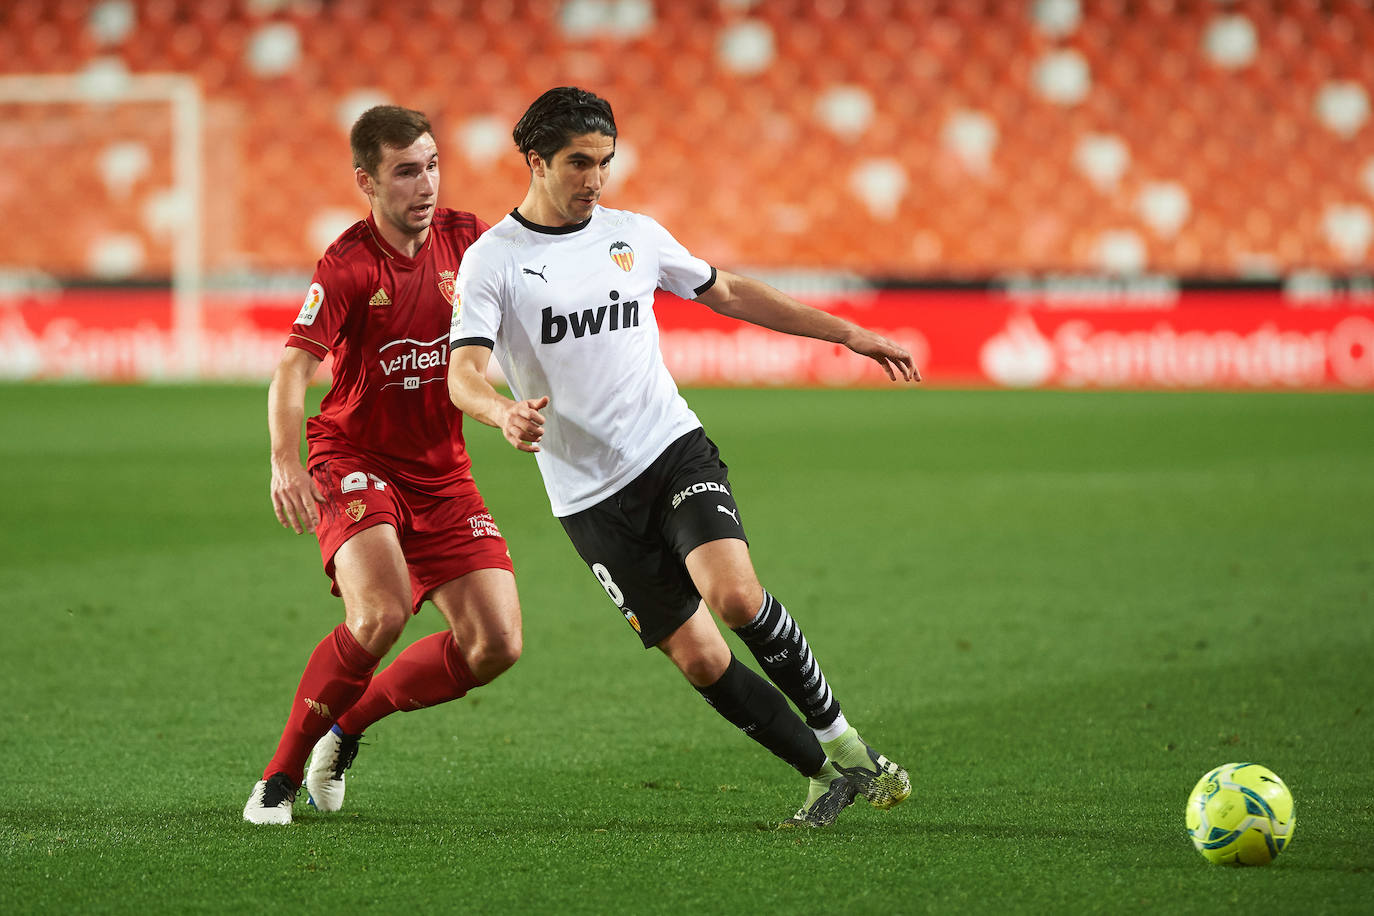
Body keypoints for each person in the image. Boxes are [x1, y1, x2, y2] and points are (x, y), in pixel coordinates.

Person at [446, 87, 918, 828]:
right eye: (578, 163)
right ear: (536, 161)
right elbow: (463, 371)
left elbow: (727, 292)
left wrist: (848, 334)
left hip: (670, 450)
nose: (594, 179)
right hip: (588, 499)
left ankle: (847, 742)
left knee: (733, 595)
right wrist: (500, 409)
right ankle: (825, 773)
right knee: (699, 660)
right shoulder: (492, 263)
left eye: (605, 162)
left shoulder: (633, 234)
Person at [243, 105, 523, 825]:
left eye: (431, 165)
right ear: (366, 181)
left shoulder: (471, 241)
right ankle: (276, 779)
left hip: (443, 470)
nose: (424, 184)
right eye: (405, 171)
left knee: (495, 644)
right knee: (382, 612)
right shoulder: (347, 265)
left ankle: (343, 731)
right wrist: (285, 463)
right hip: (354, 458)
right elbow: (290, 374)